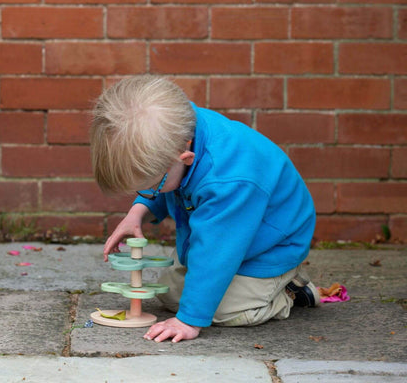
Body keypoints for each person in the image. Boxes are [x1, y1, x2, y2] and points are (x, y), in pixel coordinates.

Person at [90, 75, 320, 343]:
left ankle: (289, 291)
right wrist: (137, 212)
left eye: (151, 186)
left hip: (269, 248)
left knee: (223, 313)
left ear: (185, 158)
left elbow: (216, 253)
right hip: (225, 232)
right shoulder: (176, 129)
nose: (148, 193)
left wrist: (188, 321)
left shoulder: (228, 181)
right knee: (170, 294)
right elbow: (166, 183)